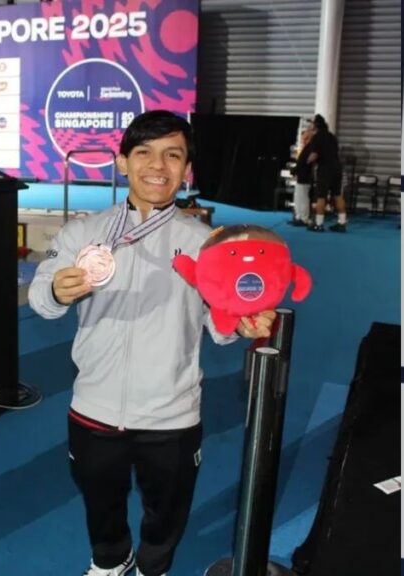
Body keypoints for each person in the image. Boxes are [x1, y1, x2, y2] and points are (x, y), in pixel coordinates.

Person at [29, 110, 276, 576]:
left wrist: (239, 322)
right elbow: (43, 298)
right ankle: (111, 559)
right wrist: (57, 290)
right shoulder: (83, 233)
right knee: (99, 499)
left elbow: (220, 327)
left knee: (167, 510)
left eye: (172, 155)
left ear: (186, 170)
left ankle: (151, 566)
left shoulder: (207, 245)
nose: (157, 166)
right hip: (95, 407)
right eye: (144, 152)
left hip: (172, 412)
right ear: (122, 162)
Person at [305, 114, 346, 233]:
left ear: (316, 125)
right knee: (337, 194)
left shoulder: (316, 137)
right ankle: (342, 222)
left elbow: (314, 155)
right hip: (337, 168)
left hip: (325, 169)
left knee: (321, 196)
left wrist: (306, 162)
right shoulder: (332, 137)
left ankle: (318, 223)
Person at [288, 124, 314, 227]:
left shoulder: (309, 148)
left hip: (305, 176)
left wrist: (294, 170)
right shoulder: (306, 148)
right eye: (303, 138)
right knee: (298, 197)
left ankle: (304, 218)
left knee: (303, 198)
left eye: (305, 138)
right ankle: (298, 216)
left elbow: (303, 163)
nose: (303, 140)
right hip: (301, 176)